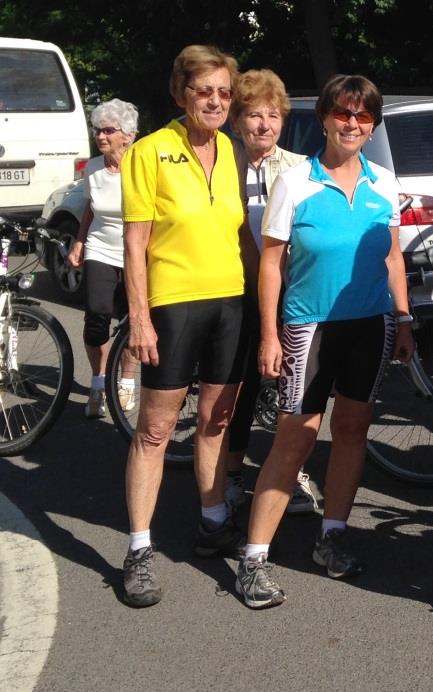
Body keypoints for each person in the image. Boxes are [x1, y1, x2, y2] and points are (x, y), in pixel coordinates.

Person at [234, 74, 414, 609]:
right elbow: (271, 263)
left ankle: (331, 536)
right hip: (308, 326)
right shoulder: (296, 183)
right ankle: (253, 558)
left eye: (363, 116)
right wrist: (270, 334)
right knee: (296, 438)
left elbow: (392, 255)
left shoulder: (385, 182)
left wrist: (404, 319)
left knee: (352, 430)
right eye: (343, 113)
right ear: (325, 119)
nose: (352, 124)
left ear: (373, 125)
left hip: (371, 324)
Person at [120, 45, 255, 608]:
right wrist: (139, 319)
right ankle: (138, 549)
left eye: (224, 92)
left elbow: (241, 234)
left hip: (230, 303)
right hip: (173, 304)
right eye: (205, 91)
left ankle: (213, 522)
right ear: (182, 94)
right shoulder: (149, 151)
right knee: (155, 431)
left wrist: (266, 304)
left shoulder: (232, 149)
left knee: (216, 422)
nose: (216, 101)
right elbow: (135, 244)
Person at [223, 68, 316, 516]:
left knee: (293, 389)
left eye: (273, 115)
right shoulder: (222, 164)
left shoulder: (300, 167)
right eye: (255, 115)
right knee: (240, 386)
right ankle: (231, 473)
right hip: (234, 287)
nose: (264, 125)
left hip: (289, 287)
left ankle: (290, 474)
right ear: (237, 120)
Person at [66, 98, 139, 419]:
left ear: (128, 135)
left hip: (136, 250)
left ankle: (126, 381)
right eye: (98, 129)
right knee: (96, 317)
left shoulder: (141, 165)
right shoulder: (93, 167)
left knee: (132, 319)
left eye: (108, 130)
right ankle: (98, 382)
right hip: (100, 246)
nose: (100, 135)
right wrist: (79, 242)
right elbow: (90, 207)